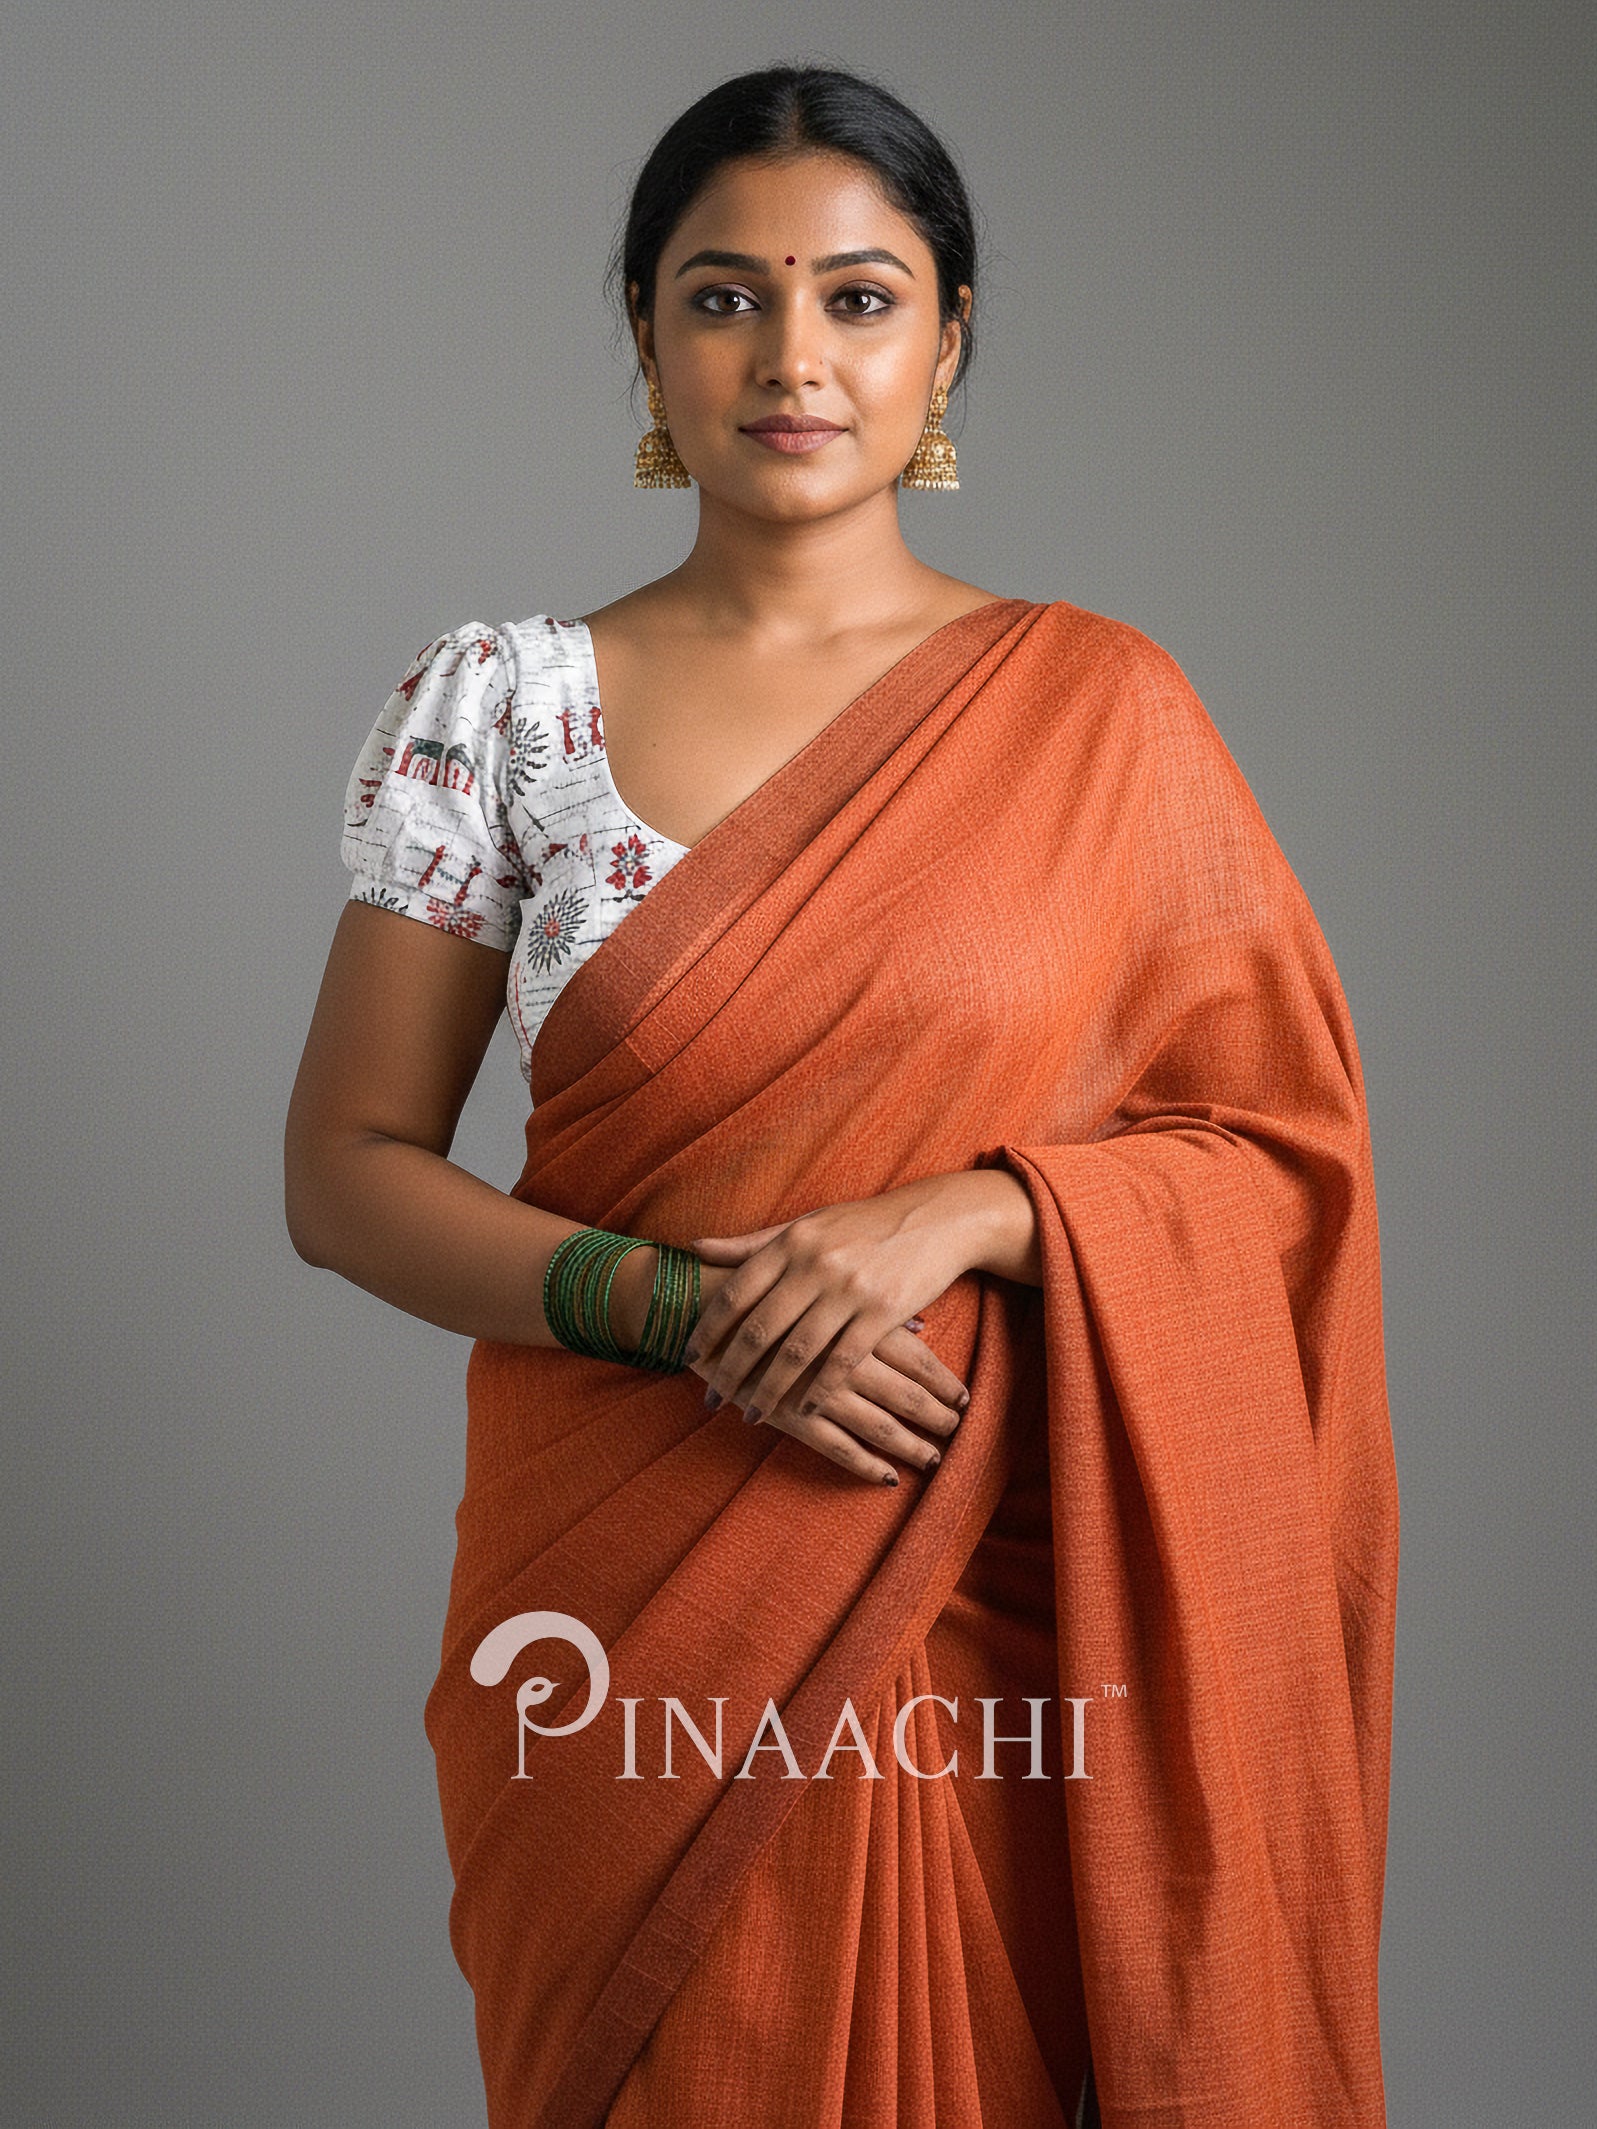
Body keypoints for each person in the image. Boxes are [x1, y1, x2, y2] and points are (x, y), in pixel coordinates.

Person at [284, 62, 1400, 2129]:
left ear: (948, 335)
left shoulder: (1105, 716)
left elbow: (1271, 1163)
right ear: (641, 331)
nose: (791, 356)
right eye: (722, 297)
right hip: (626, 1627)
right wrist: (689, 1313)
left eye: (859, 298)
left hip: (999, 1619)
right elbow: (347, 1177)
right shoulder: (500, 708)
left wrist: (976, 1210)